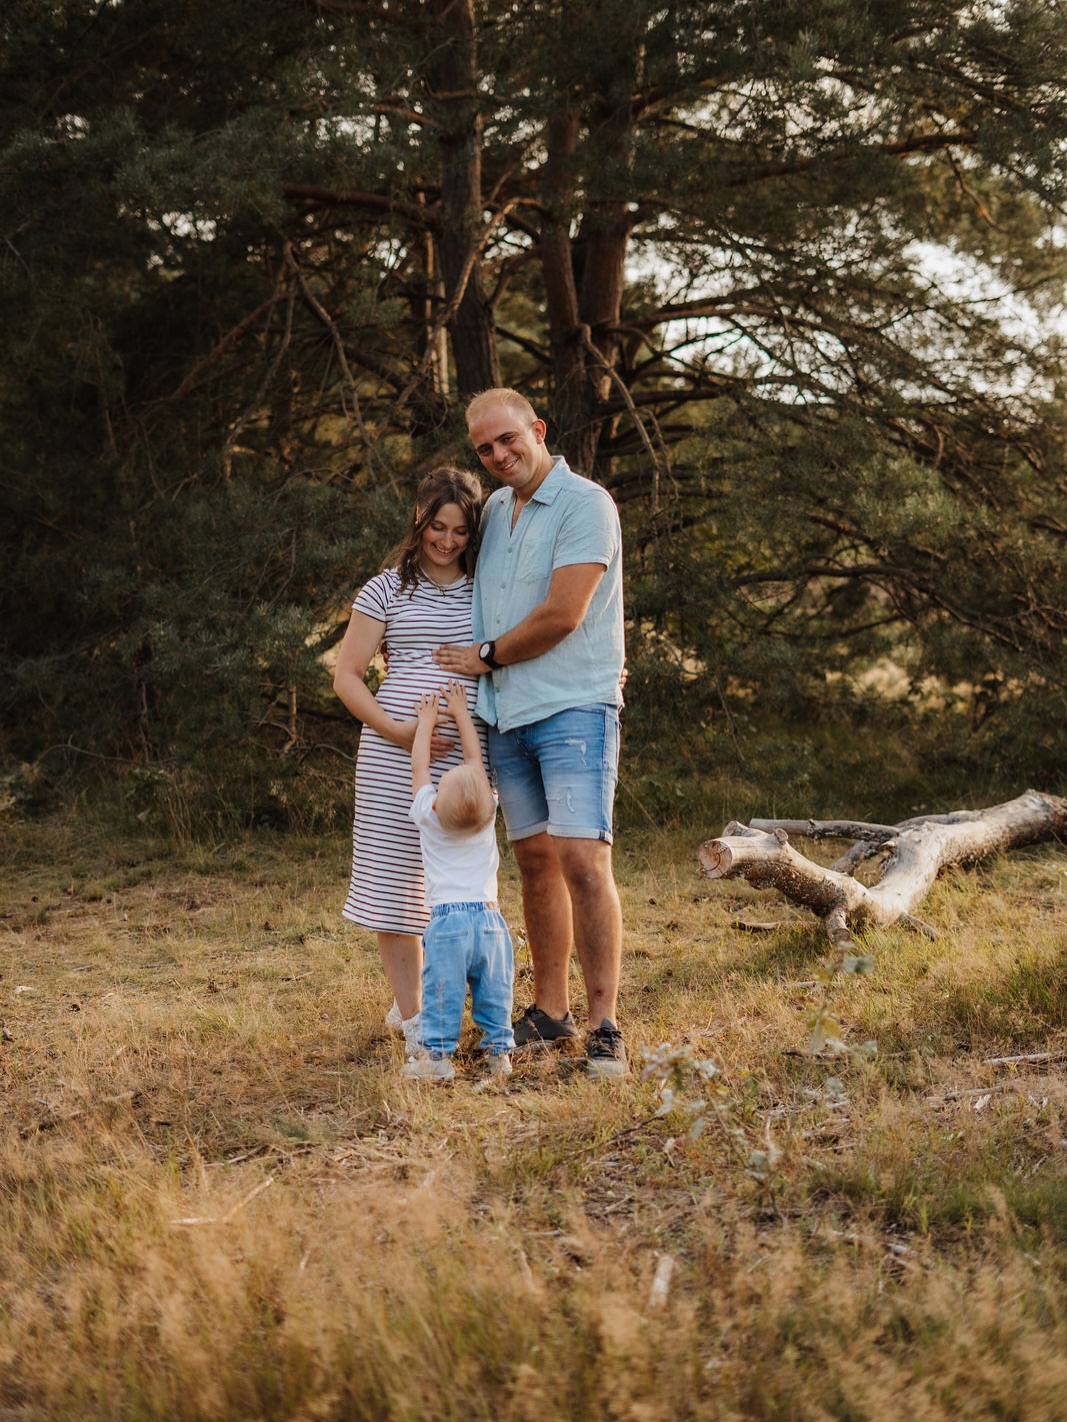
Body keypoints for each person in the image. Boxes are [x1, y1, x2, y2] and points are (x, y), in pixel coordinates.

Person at [434, 387, 627, 1079]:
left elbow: (562, 614)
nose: (498, 455)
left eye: (508, 439)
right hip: (505, 713)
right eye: (484, 448)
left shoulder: (584, 503)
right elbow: (445, 567)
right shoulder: (490, 511)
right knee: (535, 864)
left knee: (582, 860)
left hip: (572, 706)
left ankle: (605, 1025)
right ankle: (550, 1010)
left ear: (537, 429)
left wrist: (484, 657)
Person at [333, 466, 485, 1057]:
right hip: (394, 754)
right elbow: (347, 677)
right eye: (436, 526)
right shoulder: (385, 589)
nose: (446, 541)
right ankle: (418, 1020)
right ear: (418, 520)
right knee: (396, 882)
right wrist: (401, 732)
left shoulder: (486, 587)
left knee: (462, 882)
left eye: (460, 531)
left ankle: (449, 998)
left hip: (470, 757)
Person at [403, 680, 515, 1082]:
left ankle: (436, 1057)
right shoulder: (486, 817)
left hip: (447, 922)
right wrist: (462, 713)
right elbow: (474, 760)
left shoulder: (429, 817)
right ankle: (499, 1052)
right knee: (495, 991)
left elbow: (419, 767)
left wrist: (426, 722)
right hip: (490, 920)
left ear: (433, 802)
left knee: (442, 993)